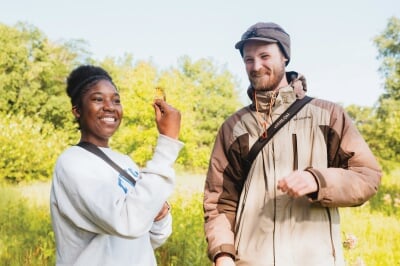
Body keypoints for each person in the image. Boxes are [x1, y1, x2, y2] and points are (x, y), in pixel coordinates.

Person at [203, 22, 382, 266]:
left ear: (285, 56)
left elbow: (367, 177)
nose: (256, 66)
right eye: (248, 59)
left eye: (265, 56)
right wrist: (223, 254)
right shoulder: (234, 128)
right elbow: (220, 202)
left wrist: (319, 181)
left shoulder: (328, 115)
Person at [50, 65, 183, 265]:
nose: (110, 106)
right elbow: (128, 222)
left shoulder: (125, 162)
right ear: (77, 111)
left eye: (116, 100)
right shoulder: (72, 163)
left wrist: (159, 216)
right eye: (97, 99)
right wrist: (168, 141)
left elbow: (146, 239)